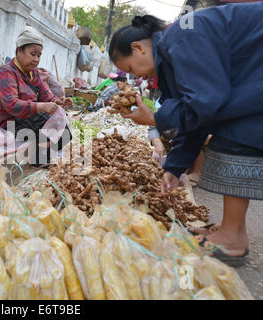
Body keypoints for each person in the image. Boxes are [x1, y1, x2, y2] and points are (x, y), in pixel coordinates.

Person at [108, 3, 263, 267]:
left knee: (235, 133)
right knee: (232, 126)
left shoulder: (181, 37)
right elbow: (197, 117)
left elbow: (207, 103)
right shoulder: (172, 57)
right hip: (251, 78)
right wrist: (174, 167)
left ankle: (232, 238)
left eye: (132, 69)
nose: (139, 76)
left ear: (138, 48)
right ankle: (235, 232)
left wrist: (156, 118)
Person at [0, 26, 73, 166]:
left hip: (26, 117)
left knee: (64, 133)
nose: (36, 59)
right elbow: (13, 105)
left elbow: (45, 94)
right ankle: (38, 158)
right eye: (33, 54)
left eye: (39, 55)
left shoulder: (33, 73)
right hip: (8, 122)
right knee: (54, 132)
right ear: (19, 51)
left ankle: (40, 154)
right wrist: (42, 107)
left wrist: (58, 101)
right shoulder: (6, 73)